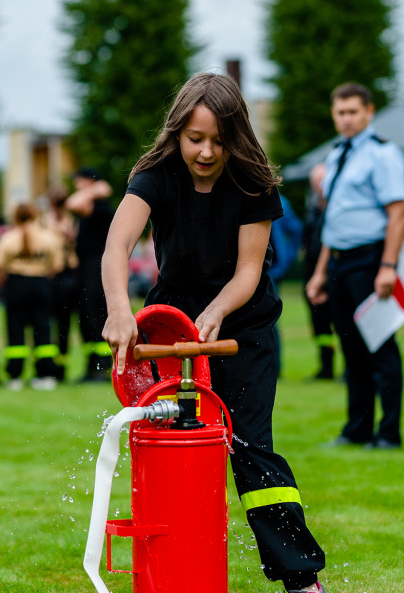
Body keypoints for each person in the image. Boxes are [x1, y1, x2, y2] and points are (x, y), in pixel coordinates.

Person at [101, 72, 327, 593]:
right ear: (177, 132)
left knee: (249, 448)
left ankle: (301, 578)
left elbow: (249, 272)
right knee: (166, 444)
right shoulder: (155, 174)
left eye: (218, 141)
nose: (205, 152)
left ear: (237, 137)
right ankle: (172, 570)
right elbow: (116, 247)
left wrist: (219, 310)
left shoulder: (253, 182)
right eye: (194, 139)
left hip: (241, 328)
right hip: (174, 329)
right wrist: (119, 309)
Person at [305, 82, 404, 450]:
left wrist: (388, 266)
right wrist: (319, 272)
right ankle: (357, 429)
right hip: (338, 261)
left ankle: (389, 433)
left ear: (369, 112)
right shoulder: (335, 156)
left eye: (353, 112)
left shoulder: (383, 155)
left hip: (370, 259)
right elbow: (333, 220)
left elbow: (397, 215)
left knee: (380, 347)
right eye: (340, 113)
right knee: (351, 349)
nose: (346, 119)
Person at [0, 202, 63, 390]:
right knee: (43, 328)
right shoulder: (48, 237)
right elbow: (57, 265)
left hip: (16, 284)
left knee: (15, 329)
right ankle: (45, 374)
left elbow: (0, 266)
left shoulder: (8, 238)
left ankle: (15, 375)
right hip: (41, 284)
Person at [65, 167, 114, 383]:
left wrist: (94, 191)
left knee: (96, 313)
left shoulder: (100, 206)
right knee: (85, 315)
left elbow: (72, 203)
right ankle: (91, 365)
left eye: (79, 182)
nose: (76, 187)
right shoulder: (92, 203)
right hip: (85, 267)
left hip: (97, 266)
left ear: (88, 182)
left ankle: (102, 367)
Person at [301, 164, 336, 380]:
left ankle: (352, 369)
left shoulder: (337, 211)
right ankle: (326, 367)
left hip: (331, 277)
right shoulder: (313, 210)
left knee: (342, 325)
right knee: (321, 328)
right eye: (316, 182)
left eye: (322, 181)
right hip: (311, 276)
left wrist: (324, 283)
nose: (319, 186)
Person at [42, 185, 79, 383]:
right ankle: (48, 365)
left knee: (65, 323)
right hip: (50, 275)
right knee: (50, 322)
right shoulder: (44, 221)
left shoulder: (70, 220)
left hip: (68, 272)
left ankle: (61, 366)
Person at [267, 191, 303, 377]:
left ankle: (274, 368)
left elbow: (296, 229)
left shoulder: (281, 201)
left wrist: (285, 261)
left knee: (269, 321)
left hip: (269, 271)